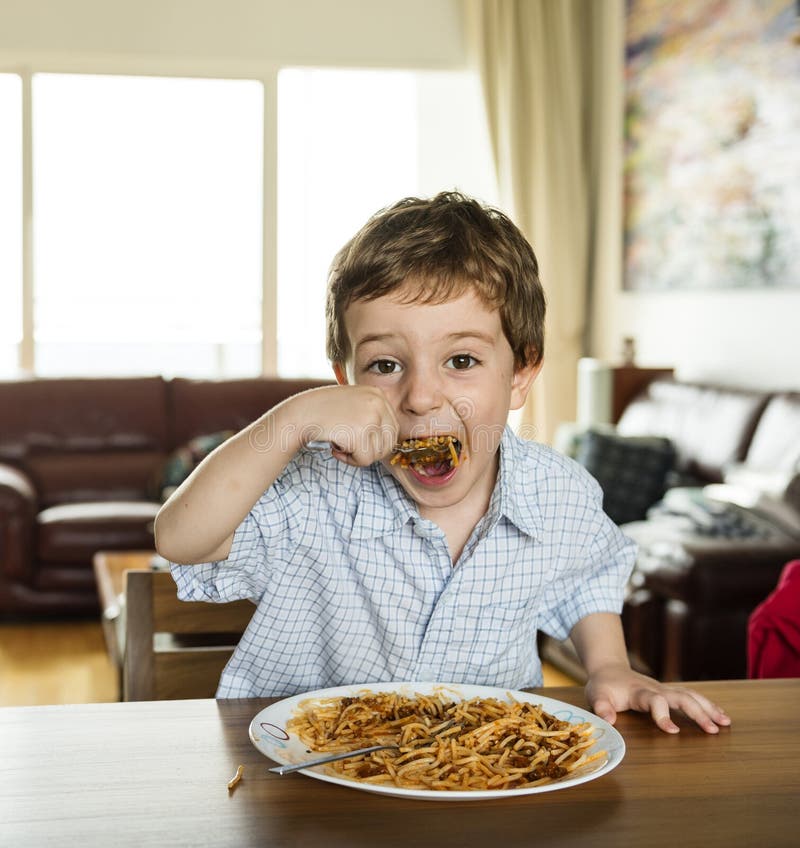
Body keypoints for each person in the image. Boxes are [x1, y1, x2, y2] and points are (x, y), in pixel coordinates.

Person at [155, 191, 730, 734]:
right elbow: (181, 539)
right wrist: (295, 420)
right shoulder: (314, 487)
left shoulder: (557, 491)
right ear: (345, 380)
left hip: (480, 777)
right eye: (385, 365)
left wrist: (609, 668)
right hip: (302, 779)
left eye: (461, 359)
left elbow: (587, 578)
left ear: (521, 375)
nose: (421, 396)